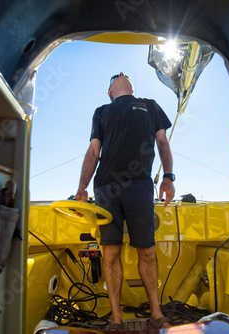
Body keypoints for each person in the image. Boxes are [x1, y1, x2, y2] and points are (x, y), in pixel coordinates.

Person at [75, 72, 176, 331]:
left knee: (148, 251)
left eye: (124, 74)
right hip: (106, 188)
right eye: (113, 78)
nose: (120, 75)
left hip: (140, 186)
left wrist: (168, 177)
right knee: (110, 251)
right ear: (110, 91)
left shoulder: (150, 105)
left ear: (132, 84)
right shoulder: (101, 112)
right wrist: (82, 188)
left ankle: (156, 313)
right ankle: (116, 319)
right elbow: (93, 151)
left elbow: (163, 142)